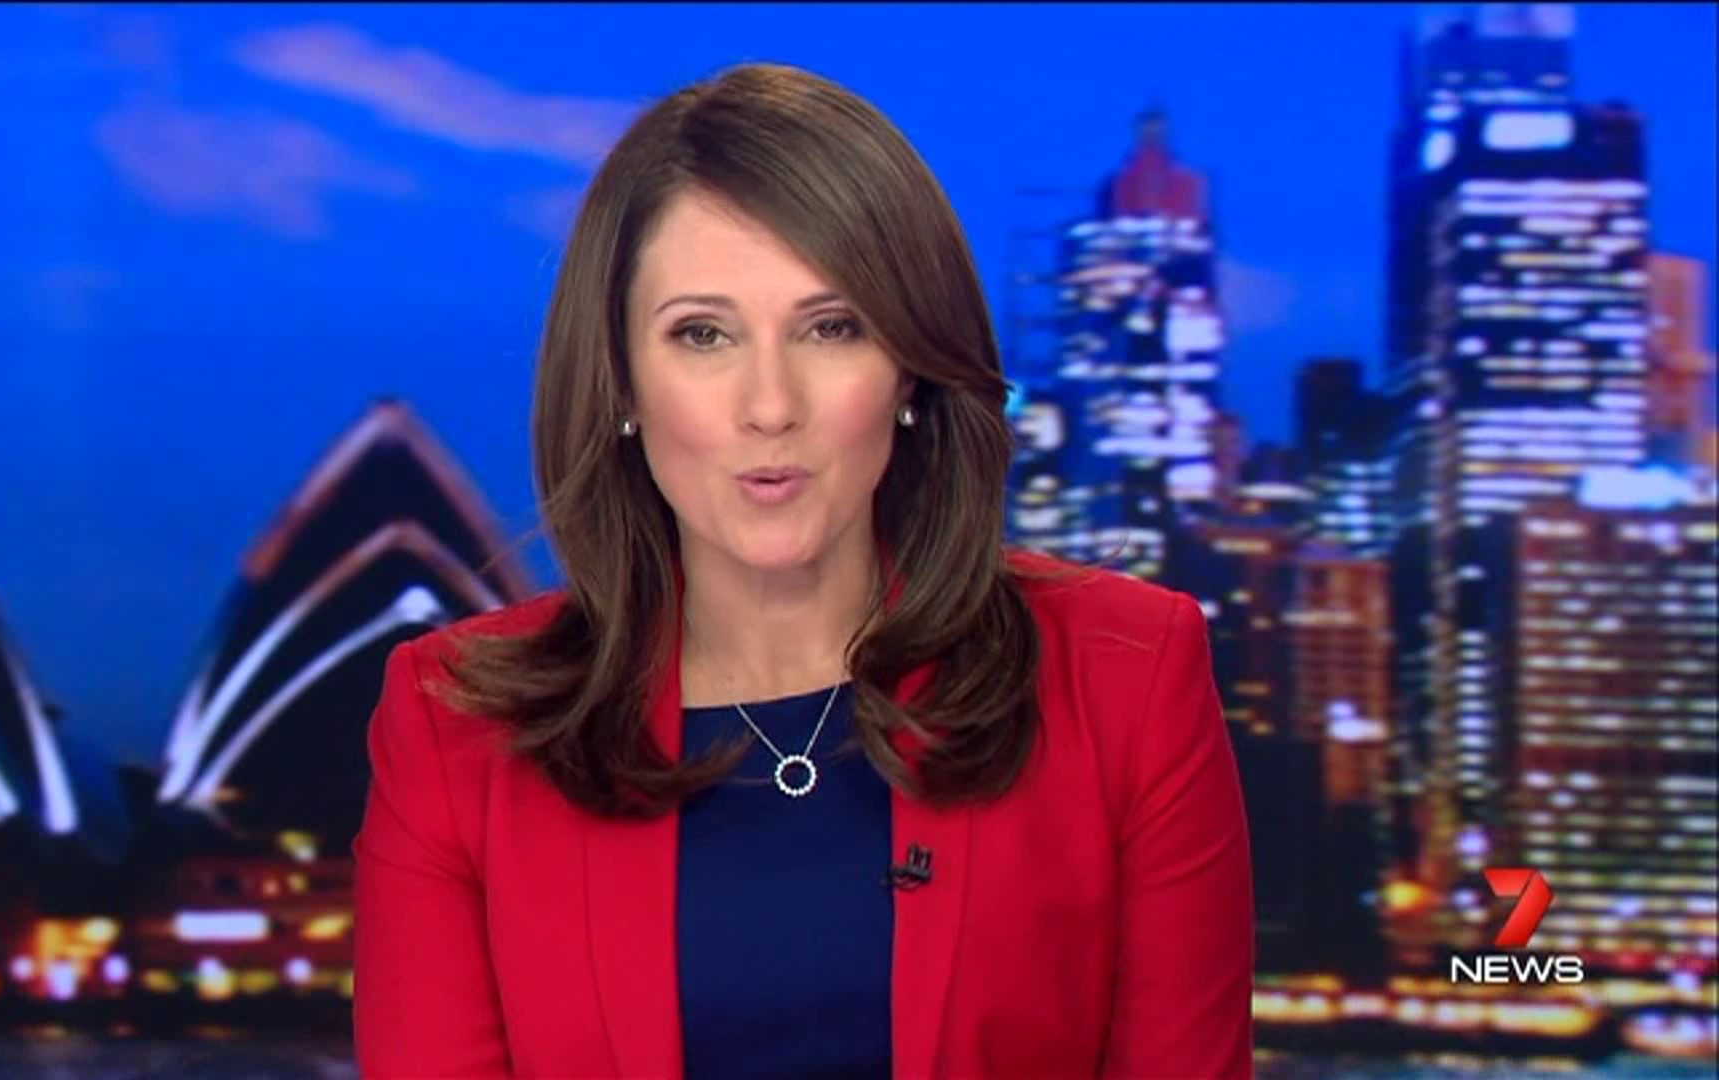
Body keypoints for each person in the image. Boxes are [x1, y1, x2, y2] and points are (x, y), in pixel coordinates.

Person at [353, 61, 1253, 1080]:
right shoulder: (456, 728)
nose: (770, 405)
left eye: (832, 327)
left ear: (908, 368)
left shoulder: (1127, 677)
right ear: (622, 383)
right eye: (703, 334)